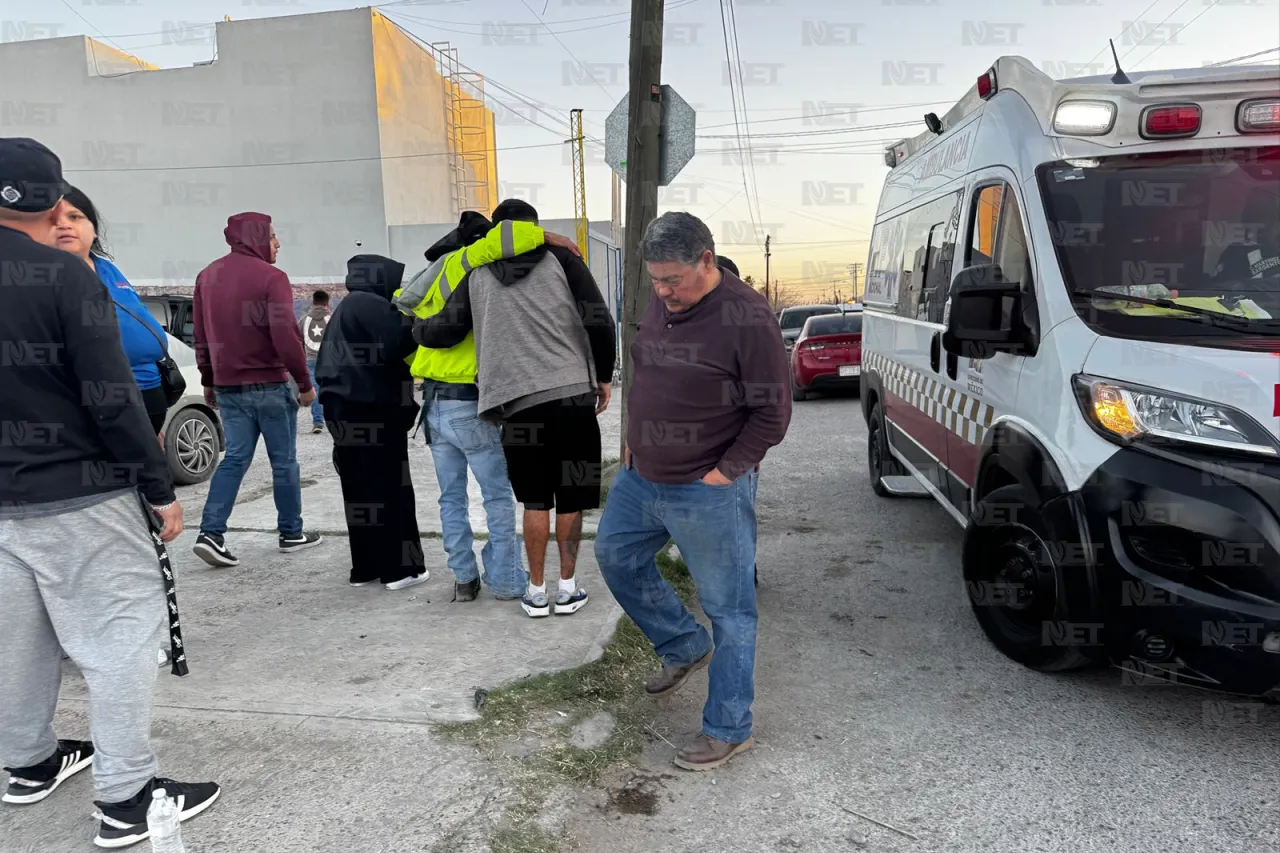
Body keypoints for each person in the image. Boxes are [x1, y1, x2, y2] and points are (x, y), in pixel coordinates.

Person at [0, 137, 219, 847]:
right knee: (120, 639)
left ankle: (27, 763)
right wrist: (160, 490)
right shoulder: (64, 277)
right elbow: (113, 396)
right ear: (47, 199)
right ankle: (127, 796)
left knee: (18, 641)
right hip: (81, 493)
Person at [594, 211, 790, 771]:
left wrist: (725, 474)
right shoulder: (664, 299)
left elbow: (771, 413)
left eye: (672, 280)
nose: (661, 292)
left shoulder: (747, 318)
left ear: (706, 260)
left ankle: (729, 728)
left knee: (730, 610)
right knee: (614, 556)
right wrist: (633, 439)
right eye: (655, 280)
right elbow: (644, 371)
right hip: (642, 476)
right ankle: (683, 645)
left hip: (707, 488)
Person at [414, 200, 616, 619]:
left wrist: (412, 323)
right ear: (533, 228)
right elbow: (598, 318)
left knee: (535, 502)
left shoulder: (476, 274)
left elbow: (444, 330)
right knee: (572, 500)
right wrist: (603, 375)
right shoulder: (563, 258)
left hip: (515, 407)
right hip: (572, 396)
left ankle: (536, 592)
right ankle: (569, 586)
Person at [190, 212, 322, 567]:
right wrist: (305, 384)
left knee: (233, 459)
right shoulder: (272, 277)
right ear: (257, 237)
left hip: (228, 387)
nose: (278, 243)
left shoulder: (207, 276)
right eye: (274, 236)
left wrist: (208, 380)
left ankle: (210, 532)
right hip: (270, 386)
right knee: (284, 462)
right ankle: (291, 532)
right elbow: (285, 336)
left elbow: (201, 337)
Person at [314, 255, 427, 590]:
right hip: (373, 410)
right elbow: (401, 341)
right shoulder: (371, 304)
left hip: (341, 411)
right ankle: (401, 570)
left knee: (360, 492)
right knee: (392, 488)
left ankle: (365, 568)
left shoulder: (347, 307)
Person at [54, 186, 173, 436]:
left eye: (74, 217)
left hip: (148, 392)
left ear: (94, 230)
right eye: (53, 220)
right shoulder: (45, 276)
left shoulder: (106, 268)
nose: (64, 225)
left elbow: (134, 316)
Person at [299, 289, 331, 434]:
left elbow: (297, 340)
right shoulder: (333, 318)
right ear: (327, 302)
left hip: (310, 360)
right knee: (333, 390)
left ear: (313, 302)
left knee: (316, 390)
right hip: (330, 360)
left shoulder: (304, 319)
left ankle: (318, 421)